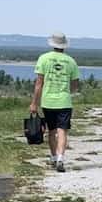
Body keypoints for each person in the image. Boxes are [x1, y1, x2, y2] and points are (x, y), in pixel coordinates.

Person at [30, 32, 81, 172]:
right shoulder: (71, 61)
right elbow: (75, 85)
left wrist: (34, 103)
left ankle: (53, 157)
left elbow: (39, 83)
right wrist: (67, 90)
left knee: (51, 131)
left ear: (52, 44)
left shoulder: (44, 59)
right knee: (63, 131)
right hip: (64, 101)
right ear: (65, 45)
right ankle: (60, 158)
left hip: (48, 101)